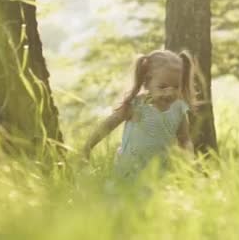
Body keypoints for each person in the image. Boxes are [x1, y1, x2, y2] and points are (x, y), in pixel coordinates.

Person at [82, 49, 202, 178]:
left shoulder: (178, 109)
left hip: (160, 173)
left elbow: (184, 139)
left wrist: (190, 162)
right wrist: (88, 146)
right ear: (147, 82)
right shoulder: (136, 105)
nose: (170, 93)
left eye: (176, 87)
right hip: (129, 171)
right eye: (162, 87)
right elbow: (108, 125)